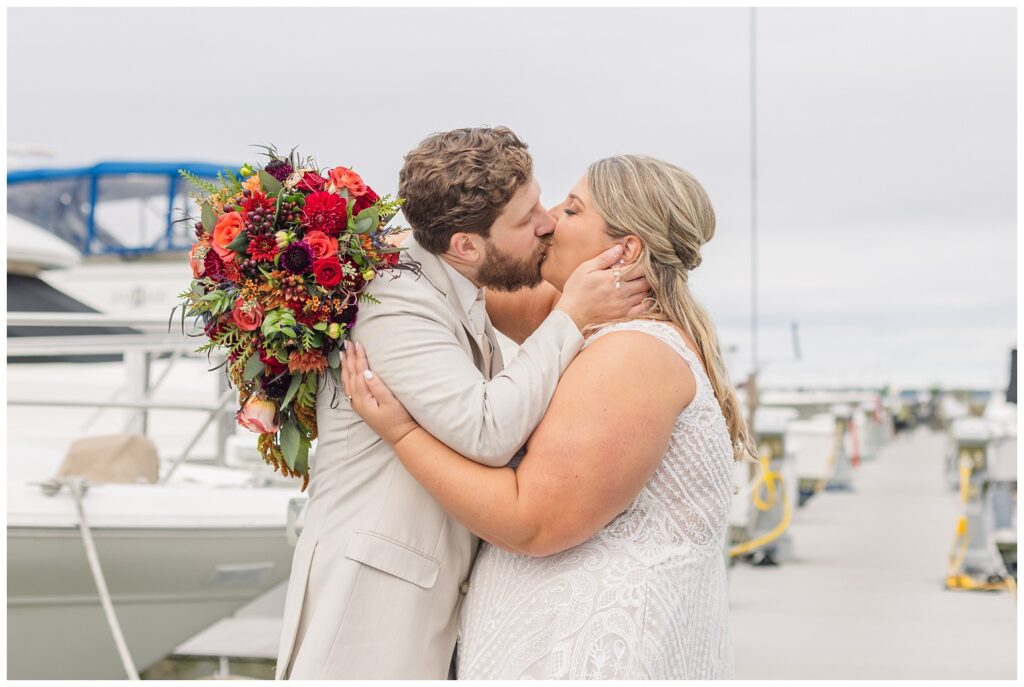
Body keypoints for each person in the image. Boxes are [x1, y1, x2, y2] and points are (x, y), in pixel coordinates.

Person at [343, 154, 754, 679]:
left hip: (585, 655)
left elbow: (532, 523)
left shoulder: (631, 357)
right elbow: (473, 267)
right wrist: (343, 244)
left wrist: (401, 434)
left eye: (573, 209)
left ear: (625, 249)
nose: (550, 219)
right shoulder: (596, 324)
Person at [275, 128, 649, 679]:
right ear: (466, 245)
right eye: (526, 220)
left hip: (423, 598)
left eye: (540, 201)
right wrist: (572, 316)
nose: (547, 221)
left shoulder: (448, 276)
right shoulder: (395, 305)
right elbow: (487, 430)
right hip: (369, 606)